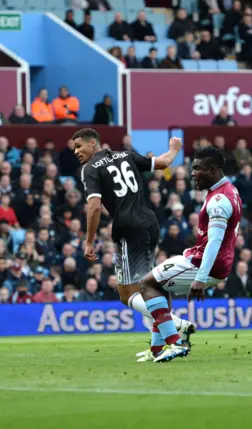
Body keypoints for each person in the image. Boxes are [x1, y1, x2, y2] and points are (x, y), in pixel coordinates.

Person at [73, 128, 194, 359]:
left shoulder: (89, 169)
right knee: (150, 286)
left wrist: (89, 241)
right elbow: (163, 162)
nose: (77, 152)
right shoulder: (126, 155)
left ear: (92, 143)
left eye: (79, 146)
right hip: (150, 222)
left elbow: (95, 207)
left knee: (127, 293)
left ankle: (175, 332)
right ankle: (157, 347)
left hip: (128, 227)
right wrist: (174, 149)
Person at [138, 146, 242, 362]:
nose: (192, 173)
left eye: (197, 168)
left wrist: (200, 279)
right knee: (158, 285)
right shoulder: (228, 191)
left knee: (147, 285)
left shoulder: (218, 201)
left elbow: (215, 241)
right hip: (203, 258)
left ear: (213, 170)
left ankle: (175, 342)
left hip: (204, 263)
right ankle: (158, 349)